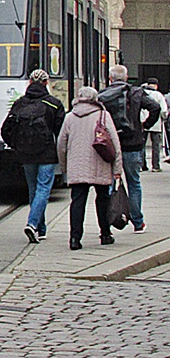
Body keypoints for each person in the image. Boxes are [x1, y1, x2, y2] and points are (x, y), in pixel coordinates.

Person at [1, 68, 65, 243]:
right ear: (46, 83)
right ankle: (33, 224)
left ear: (30, 82)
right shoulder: (54, 104)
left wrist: (16, 146)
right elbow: (61, 132)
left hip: (26, 154)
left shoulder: (20, 103)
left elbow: (6, 129)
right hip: (47, 153)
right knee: (44, 188)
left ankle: (40, 229)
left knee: (33, 189)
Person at [99, 64, 163, 233]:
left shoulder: (103, 95)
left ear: (110, 79)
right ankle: (137, 221)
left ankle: (109, 223)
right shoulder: (136, 92)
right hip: (133, 144)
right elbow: (155, 107)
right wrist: (144, 125)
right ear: (126, 78)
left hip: (110, 147)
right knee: (134, 183)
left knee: (109, 184)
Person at [57, 86, 123, 249]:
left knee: (77, 201)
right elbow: (115, 144)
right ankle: (105, 234)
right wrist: (117, 170)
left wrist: (65, 167)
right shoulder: (103, 115)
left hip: (77, 165)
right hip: (100, 164)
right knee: (103, 200)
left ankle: (75, 239)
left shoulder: (70, 117)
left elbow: (61, 144)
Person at [143, 80, 167, 172]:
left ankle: (142, 165)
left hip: (143, 122)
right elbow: (163, 110)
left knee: (142, 145)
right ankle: (155, 166)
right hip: (156, 124)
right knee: (156, 145)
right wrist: (163, 118)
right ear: (156, 86)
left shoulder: (142, 94)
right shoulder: (159, 95)